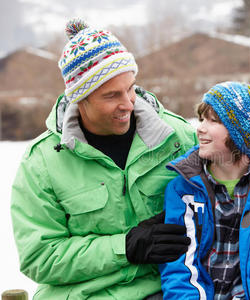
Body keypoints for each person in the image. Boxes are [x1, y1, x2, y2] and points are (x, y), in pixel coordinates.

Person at [10, 19, 197, 299]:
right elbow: (40, 257)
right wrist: (125, 247)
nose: (128, 103)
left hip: (169, 289)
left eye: (131, 88)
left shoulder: (178, 137)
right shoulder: (42, 162)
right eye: (111, 96)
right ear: (80, 99)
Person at [158, 81, 250, 300]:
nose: (201, 128)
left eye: (214, 121)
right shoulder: (183, 189)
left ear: (243, 135)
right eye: (202, 119)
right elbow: (179, 267)